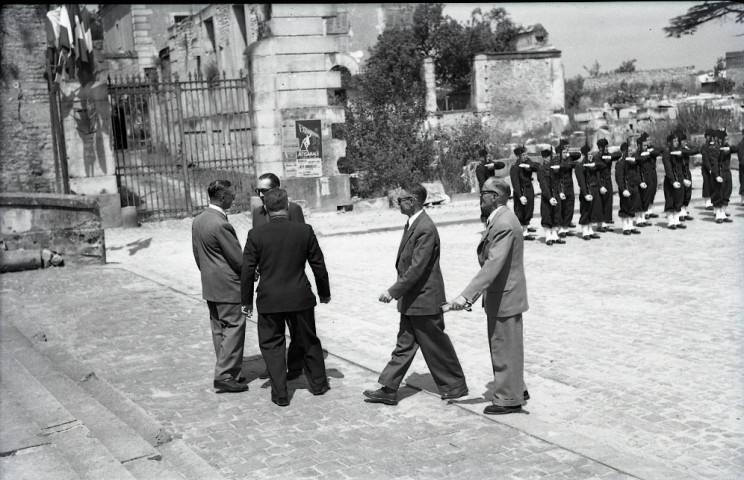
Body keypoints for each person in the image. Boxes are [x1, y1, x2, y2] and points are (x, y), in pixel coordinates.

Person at [364, 184, 468, 406]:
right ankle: (389, 389)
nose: (397, 203)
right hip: (413, 299)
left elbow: (417, 268)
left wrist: (393, 292)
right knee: (404, 344)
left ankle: (455, 386)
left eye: (400, 199)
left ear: (412, 201)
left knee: (436, 344)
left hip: (424, 299)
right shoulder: (414, 224)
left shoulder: (425, 228)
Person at [241, 188, 331, 407]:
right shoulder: (304, 230)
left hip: (269, 299)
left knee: (272, 345)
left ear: (265, 209)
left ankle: (280, 393)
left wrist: (246, 302)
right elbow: (318, 264)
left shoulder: (256, 235)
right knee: (307, 340)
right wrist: (324, 293)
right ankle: (318, 385)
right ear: (288, 205)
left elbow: (247, 271)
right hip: (300, 296)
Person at [447, 177, 529, 415]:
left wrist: (466, 296)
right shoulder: (501, 219)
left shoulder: (503, 223)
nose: (479, 198)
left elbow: (493, 265)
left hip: (506, 296)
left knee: (503, 348)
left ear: (495, 197)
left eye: (483, 193)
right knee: (507, 347)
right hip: (504, 295)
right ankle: (516, 389)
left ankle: (509, 399)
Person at [192, 180, 248, 393]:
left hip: (210, 283)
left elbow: (197, 254)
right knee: (234, 327)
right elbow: (237, 259)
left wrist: (208, 274)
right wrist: (251, 274)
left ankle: (228, 371)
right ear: (223, 197)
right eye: (232, 195)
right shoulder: (220, 224)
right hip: (227, 285)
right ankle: (225, 374)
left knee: (219, 329)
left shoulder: (199, 220)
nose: (234, 198)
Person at [251, 172, 305, 381]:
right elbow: (255, 242)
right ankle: (274, 367)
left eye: (263, 191)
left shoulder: (294, 210)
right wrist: (255, 265)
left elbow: (302, 241)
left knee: (297, 327)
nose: (260, 195)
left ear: (276, 191)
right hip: (268, 278)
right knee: (272, 329)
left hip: (290, 276)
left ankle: (295, 364)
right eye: (258, 191)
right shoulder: (257, 213)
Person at [509, 146, 538, 240]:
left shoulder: (528, 162)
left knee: (529, 209)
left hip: (529, 189)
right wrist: (520, 196)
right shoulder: (515, 167)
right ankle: (522, 232)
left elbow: (537, 166)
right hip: (521, 190)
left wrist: (528, 166)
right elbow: (515, 184)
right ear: (518, 156)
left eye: (526, 154)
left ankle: (525, 230)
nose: (526, 156)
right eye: (523, 155)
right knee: (520, 211)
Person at [536, 147, 564, 245]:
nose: (551, 159)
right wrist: (549, 197)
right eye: (549, 157)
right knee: (547, 215)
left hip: (555, 194)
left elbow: (558, 182)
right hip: (547, 196)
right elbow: (543, 186)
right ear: (544, 158)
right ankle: (548, 236)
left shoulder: (554, 168)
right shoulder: (541, 170)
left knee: (556, 214)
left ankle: (555, 235)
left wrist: (560, 192)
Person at [574, 144, 603, 240]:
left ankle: (590, 231)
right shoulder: (579, 166)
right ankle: (585, 232)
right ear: (583, 155)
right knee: (586, 211)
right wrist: (585, 194)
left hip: (594, 189)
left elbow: (598, 175)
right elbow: (581, 182)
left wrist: (600, 187)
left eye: (591, 154)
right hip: (587, 189)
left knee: (593, 210)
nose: (590, 156)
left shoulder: (593, 164)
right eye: (588, 154)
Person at [614, 141, 642, 235]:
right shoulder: (621, 163)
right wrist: (623, 189)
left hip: (634, 186)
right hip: (626, 187)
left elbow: (637, 172)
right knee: (625, 207)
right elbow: (619, 177)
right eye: (628, 150)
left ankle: (630, 225)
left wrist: (639, 182)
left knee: (633, 206)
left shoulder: (632, 160)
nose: (631, 152)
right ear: (623, 152)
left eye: (631, 150)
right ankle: (625, 227)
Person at [475, 146, 506, 224]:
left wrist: (494, 165)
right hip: (486, 191)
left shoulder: (490, 165)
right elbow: (482, 182)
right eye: (487, 156)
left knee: (494, 210)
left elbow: (502, 165)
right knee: (485, 211)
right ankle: (486, 229)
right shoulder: (480, 167)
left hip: (493, 191)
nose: (489, 158)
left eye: (489, 156)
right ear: (482, 157)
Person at [595, 138, 620, 232]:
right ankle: (599, 225)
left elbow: (619, 154)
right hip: (601, 181)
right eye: (605, 147)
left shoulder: (608, 156)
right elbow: (596, 173)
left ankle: (605, 223)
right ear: (600, 148)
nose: (607, 148)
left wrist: (609, 157)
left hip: (608, 181)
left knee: (608, 202)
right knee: (600, 203)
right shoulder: (597, 157)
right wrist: (600, 185)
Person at [557, 140, 580, 238]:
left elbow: (578, 156)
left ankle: (566, 228)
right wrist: (568, 162)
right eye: (564, 150)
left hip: (569, 185)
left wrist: (568, 155)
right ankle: (560, 229)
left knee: (570, 207)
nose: (566, 151)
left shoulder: (568, 158)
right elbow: (564, 166)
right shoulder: (556, 160)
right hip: (561, 185)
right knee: (561, 208)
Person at [710, 129, 734, 223]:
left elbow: (736, 148)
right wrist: (716, 175)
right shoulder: (714, 148)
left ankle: (723, 213)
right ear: (720, 139)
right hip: (719, 172)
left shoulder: (727, 147)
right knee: (718, 193)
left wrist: (728, 149)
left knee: (727, 192)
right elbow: (714, 163)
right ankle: (718, 215)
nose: (727, 140)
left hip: (727, 171)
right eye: (725, 138)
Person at [639, 134, 661, 220]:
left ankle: (650, 209)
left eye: (650, 139)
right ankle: (645, 211)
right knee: (646, 192)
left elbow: (658, 151)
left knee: (653, 190)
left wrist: (649, 152)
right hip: (646, 173)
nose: (650, 141)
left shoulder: (652, 148)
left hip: (653, 171)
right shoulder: (641, 150)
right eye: (648, 140)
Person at [677, 131, 698, 221]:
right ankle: (679, 212)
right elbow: (688, 152)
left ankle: (684, 211)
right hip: (680, 172)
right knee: (681, 193)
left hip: (686, 171)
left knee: (687, 193)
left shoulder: (685, 148)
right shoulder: (678, 150)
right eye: (683, 141)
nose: (685, 142)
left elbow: (693, 151)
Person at [635, 134, 653, 227]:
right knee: (640, 199)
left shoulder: (647, 154)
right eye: (644, 146)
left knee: (646, 198)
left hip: (648, 178)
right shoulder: (636, 155)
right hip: (641, 180)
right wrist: (640, 181)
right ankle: (638, 219)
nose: (646, 147)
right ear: (639, 146)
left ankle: (643, 218)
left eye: (646, 145)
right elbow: (637, 170)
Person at [700, 129, 716, 210]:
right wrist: (709, 169)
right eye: (708, 136)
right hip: (706, 169)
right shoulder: (704, 147)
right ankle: (707, 203)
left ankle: (712, 201)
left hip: (713, 168)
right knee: (707, 184)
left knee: (713, 185)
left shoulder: (714, 146)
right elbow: (705, 159)